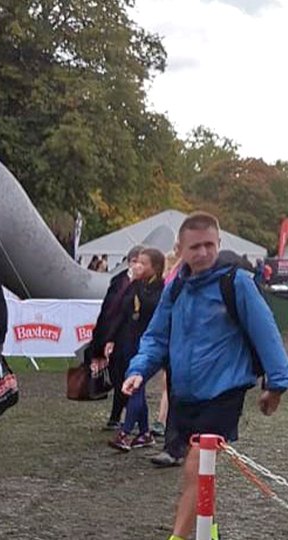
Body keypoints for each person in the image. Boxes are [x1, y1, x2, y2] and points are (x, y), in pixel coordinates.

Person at [122, 212, 288, 540]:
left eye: (209, 245)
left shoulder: (236, 282)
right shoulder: (175, 288)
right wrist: (138, 369)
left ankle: (179, 537)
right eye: (195, 246)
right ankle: (206, 528)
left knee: (198, 463)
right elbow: (156, 337)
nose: (203, 253)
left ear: (219, 244)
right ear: (180, 249)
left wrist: (277, 385)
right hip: (185, 395)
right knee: (194, 472)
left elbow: (266, 332)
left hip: (224, 392)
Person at [102, 248, 165, 451]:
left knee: (136, 387)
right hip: (128, 341)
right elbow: (121, 312)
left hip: (146, 345)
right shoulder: (134, 285)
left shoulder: (161, 289)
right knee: (134, 387)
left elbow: (150, 308)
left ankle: (126, 432)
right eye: (136, 262)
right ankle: (145, 433)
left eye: (143, 263)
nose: (138, 266)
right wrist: (111, 339)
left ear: (154, 268)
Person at [88, 244, 144, 430]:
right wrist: (102, 337)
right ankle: (123, 418)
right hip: (111, 335)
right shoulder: (119, 281)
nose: (137, 266)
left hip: (128, 337)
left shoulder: (143, 285)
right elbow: (109, 309)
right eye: (135, 261)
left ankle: (131, 421)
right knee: (116, 376)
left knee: (125, 378)